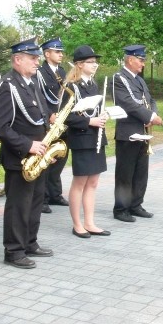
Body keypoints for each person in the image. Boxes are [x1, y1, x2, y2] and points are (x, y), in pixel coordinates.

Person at [0, 38, 53, 269]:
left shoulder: (31, 81)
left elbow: (41, 115)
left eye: (37, 58)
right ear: (18, 59)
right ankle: (14, 251)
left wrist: (47, 142)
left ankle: (29, 242)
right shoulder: (8, 85)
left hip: (38, 154)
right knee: (19, 204)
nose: (38, 62)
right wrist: (28, 145)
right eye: (33, 58)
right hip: (20, 156)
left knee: (35, 201)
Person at [112, 44, 163, 222]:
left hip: (143, 130)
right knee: (125, 173)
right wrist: (149, 116)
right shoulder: (119, 78)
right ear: (130, 59)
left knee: (141, 172)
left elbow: (150, 99)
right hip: (128, 132)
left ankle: (135, 205)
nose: (143, 63)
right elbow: (128, 103)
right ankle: (121, 209)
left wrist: (153, 114)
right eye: (141, 60)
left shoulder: (139, 80)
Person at [62, 45, 109, 238]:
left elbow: (94, 110)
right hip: (82, 137)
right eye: (90, 62)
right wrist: (90, 121)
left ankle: (90, 222)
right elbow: (65, 117)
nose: (95, 65)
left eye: (95, 62)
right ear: (79, 64)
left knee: (93, 181)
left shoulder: (93, 84)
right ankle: (77, 224)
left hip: (96, 136)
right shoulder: (71, 87)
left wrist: (103, 115)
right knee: (80, 182)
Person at [37, 38, 69, 213]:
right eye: (57, 52)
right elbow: (39, 96)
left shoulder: (63, 72)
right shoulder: (40, 73)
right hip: (49, 121)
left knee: (61, 157)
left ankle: (55, 194)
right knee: (47, 159)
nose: (61, 54)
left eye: (61, 51)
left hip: (63, 120)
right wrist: (50, 114)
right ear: (47, 54)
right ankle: (42, 198)